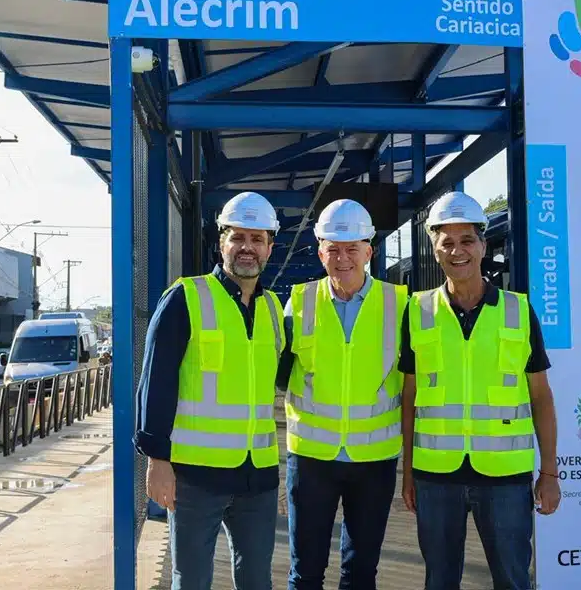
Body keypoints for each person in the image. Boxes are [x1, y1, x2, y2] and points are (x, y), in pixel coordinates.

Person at [399, 191, 560, 590]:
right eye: (447, 242)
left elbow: (541, 396)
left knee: (513, 580)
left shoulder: (518, 311)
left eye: (467, 240)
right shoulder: (417, 313)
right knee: (440, 581)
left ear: (483, 245)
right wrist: (407, 472)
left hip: (505, 479)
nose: (458, 251)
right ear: (434, 250)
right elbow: (409, 398)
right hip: (436, 476)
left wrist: (550, 472)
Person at [134, 191, 286, 590]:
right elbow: (156, 380)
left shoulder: (273, 309)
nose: (247, 248)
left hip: (258, 478)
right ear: (222, 242)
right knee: (193, 580)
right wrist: (156, 460)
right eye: (238, 238)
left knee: (256, 579)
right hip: (195, 478)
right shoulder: (187, 297)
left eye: (257, 239)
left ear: (270, 246)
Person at [277, 199, 408, 590]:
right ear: (320, 251)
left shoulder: (400, 304)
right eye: (333, 248)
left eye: (352, 248)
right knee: (306, 573)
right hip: (312, 458)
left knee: (361, 573)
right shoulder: (297, 303)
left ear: (369, 250)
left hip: (374, 461)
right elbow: (278, 373)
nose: (342, 258)